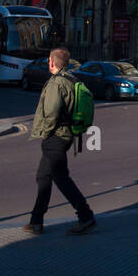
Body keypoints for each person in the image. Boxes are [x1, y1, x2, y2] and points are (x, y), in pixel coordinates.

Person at [24, 47, 95, 235]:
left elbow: (52, 112)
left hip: (56, 136)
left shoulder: (57, 83)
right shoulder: (72, 79)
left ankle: (86, 216)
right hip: (66, 135)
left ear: (52, 62)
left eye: (49, 60)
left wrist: (46, 132)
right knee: (44, 176)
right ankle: (36, 220)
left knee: (60, 177)